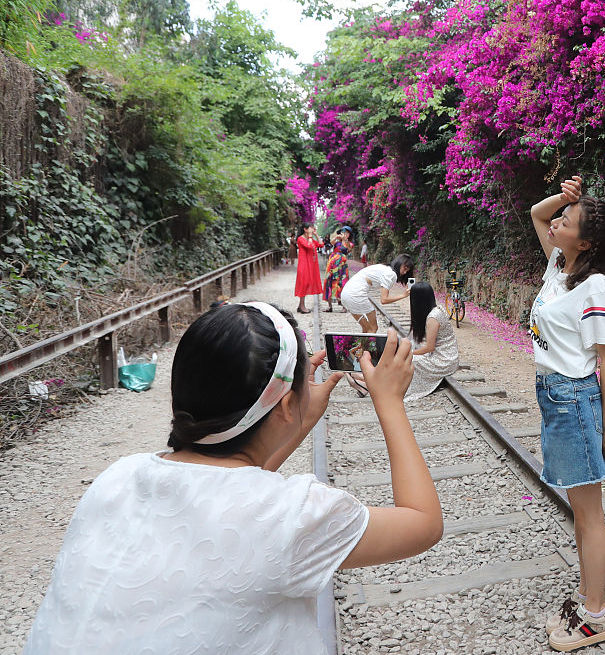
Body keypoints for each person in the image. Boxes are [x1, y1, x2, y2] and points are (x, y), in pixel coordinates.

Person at [22, 303, 441, 654]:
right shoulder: (293, 515)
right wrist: (389, 401)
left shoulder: (118, 476)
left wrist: (295, 420)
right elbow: (423, 521)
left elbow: (233, 496)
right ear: (283, 406)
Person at [529, 175, 605, 651]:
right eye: (561, 217)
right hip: (553, 395)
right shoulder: (558, 266)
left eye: (567, 220)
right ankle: (591, 601)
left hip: (573, 398)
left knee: (589, 517)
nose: (557, 222)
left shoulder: (595, 288)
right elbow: (536, 213)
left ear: (585, 242)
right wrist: (566, 198)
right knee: (580, 513)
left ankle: (596, 616)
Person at [404, 282, 459, 401]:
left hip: (444, 360)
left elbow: (429, 347)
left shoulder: (433, 318)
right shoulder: (435, 310)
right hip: (443, 355)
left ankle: (398, 386)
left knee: (410, 360)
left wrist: (408, 354)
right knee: (408, 358)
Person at [340, 254, 414, 333]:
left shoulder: (385, 267)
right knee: (372, 328)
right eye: (405, 268)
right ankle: (368, 345)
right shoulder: (391, 274)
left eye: (407, 271)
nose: (405, 272)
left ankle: (362, 345)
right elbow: (384, 300)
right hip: (355, 295)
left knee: (366, 329)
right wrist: (403, 295)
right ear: (399, 263)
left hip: (346, 293)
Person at [323, 227, 353, 312]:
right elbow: (331, 243)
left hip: (342, 265)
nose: (345, 234)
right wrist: (337, 237)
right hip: (332, 264)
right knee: (329, 281)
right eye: (344, 232)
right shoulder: (337, 242)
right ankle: (329, 306)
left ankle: (344, 306)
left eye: (347, 233)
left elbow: (349, 249)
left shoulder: (349, 243)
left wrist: (345, 240)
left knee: (342, 283)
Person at [294, 224, 322, 313]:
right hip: (304, 264)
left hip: (311, 264)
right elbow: (309, 246)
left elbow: (321, 245)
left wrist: (316, 235)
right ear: (305, 229)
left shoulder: (311, 239)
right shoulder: (300, 239)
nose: (313, 228)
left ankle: (300, 306)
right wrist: (310, 236)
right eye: (310, 227)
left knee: (308, 282)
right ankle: (302, 306)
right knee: (304, 283)